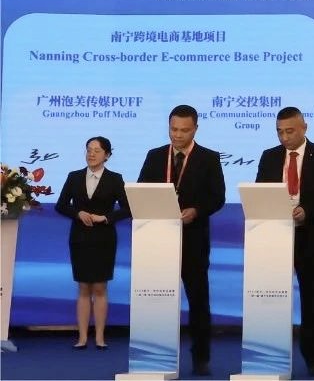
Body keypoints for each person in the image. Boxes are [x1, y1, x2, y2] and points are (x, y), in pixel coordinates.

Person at [137, 104, 226, 376]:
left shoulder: (208, 158)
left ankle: (201, 357)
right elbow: (141, 191)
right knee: (155, 299)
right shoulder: (155, 156)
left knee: (198, 300)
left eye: (184, 130)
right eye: (173, 129)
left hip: (193, 240)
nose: (177, 135)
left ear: (195, 129)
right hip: (158, 240)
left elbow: (217, 197)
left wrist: (196, 210)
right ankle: (155, 353)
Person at [255, 107, 314, 377]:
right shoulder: (269, 156)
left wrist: (306, 210)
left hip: (311, 236)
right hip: (276, 237)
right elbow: (261, 191)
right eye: (279, 132)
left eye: (289, 131)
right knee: (271, 298)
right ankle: (270, 353)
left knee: (313, 300)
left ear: (304, 128)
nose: (284, 137)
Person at [55, 136, 130, 350]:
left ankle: (99, 337)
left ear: (107, 155)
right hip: (80, 238)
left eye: (97, 150)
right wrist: (77, 213)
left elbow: (128, 208)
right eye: (89, 149)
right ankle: (82, 337)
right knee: (83, 287)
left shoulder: (115, 179)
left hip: (104, 238)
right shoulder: (74, 177)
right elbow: (61, 205)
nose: (91, 154)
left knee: (99, 287)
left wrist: (105, 217)